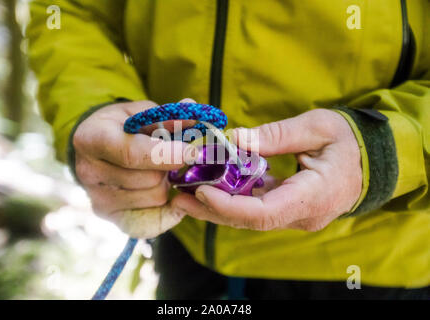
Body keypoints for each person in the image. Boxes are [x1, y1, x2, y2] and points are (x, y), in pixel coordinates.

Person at [27, 0, 430, 299]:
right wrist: (94, 108)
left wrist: (383, 151)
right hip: (184, 243)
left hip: (378, 266)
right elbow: (70, 11)